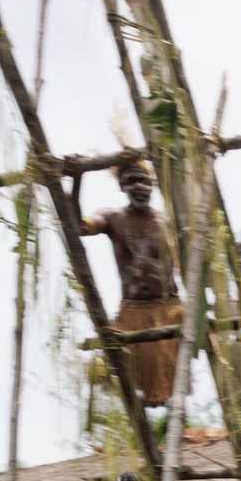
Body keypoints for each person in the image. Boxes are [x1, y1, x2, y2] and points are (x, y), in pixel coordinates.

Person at [79, 159, 182, 409]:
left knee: (173, 386)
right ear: (122, 186)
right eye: (131, 181)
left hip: (169, 310)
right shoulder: (113, 218)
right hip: (133, 313)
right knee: (135, 388)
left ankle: (175, 431)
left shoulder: (166, 221)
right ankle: (147, 438)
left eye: (144, 181)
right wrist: (76, 182)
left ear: (152, 185)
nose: (139, 186)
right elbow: (79, 227)